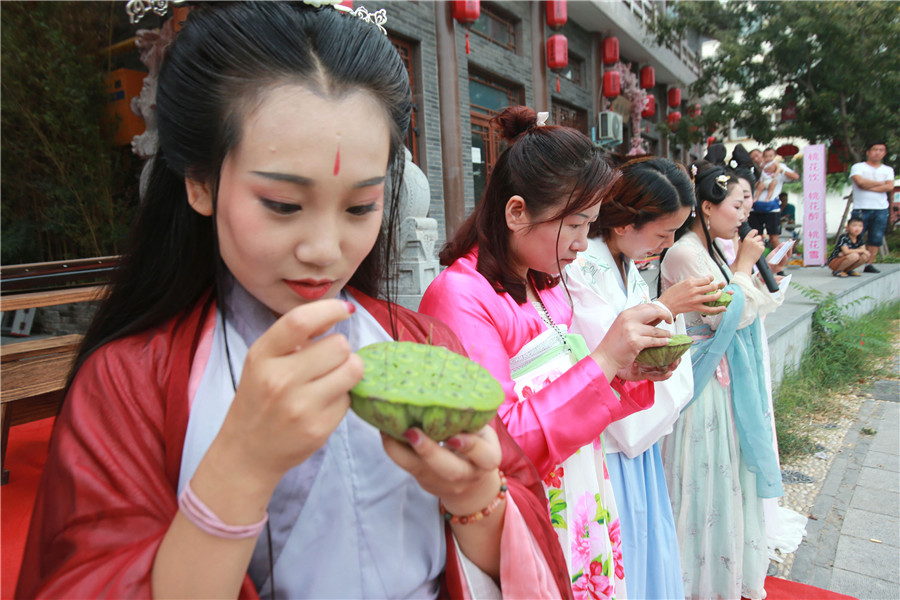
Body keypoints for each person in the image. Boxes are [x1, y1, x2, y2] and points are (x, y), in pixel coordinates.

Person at [16, 4, 573, 598]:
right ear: (201, 182)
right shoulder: (130, 382)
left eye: (361, 207)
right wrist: (241, 467)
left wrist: (475, 500)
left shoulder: (422, 344)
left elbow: (516, 532)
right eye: (282, 204)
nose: (325, 249)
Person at [419, 106, 677, 598]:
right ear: (517, 212)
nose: (583, 244)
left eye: (591, 225)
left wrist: (630, 371)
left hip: (579, 494)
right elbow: (492, 447)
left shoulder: (545, 285)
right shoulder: (459, 296)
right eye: (576, 225)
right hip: (520, 511)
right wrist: (604, 362)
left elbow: (580, 401)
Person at [564, 157, 727, 600]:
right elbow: (607, 347)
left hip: (637, 443)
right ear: (623, 224)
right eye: (662, 233)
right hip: (609, 440)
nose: (669, 243)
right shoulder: (580, 268)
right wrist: (667, 306)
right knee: (626, 552)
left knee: (646, 547)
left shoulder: (624, 263)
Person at [659, 161, 786, 600]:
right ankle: (688, 580)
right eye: (737, 204)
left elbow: (743, 306)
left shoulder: (709, 250)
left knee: (722, 477)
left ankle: (720, 573)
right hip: (700, 379)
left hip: (719, 379)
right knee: (699, 477)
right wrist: (746, 268)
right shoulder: (684, 253)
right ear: (707, 209)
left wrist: (744, 272)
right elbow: (723, 317)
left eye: (747, 203)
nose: (744, 213)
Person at [850, 141, 894, 273]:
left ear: (884, 153)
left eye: (881, 150)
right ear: (868, 152)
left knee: (876, 237)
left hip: (880, 208)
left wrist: (868, 185)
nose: (878, 152)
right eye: (875, 149)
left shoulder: (888, 169)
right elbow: (860, 183)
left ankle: (868, 264)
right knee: (855, 237)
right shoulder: (858, 167)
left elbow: (889, 187)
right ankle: (851, 264)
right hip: (861, 208)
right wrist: (881, 184)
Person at [748, 147, 799, 250]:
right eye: (753, 158)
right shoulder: (751, 170)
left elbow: (795, 176)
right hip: (754, 208)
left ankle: (779, 262)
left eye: (757, 155)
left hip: (772, 207)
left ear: (763, 154)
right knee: (757, 237)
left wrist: (779, 170)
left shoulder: (778, 166)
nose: (756, 159)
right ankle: (759, 264)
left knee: (774, 237)